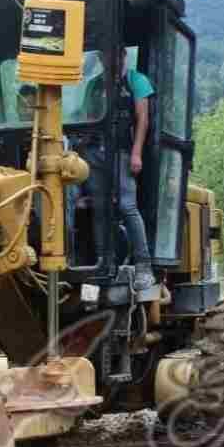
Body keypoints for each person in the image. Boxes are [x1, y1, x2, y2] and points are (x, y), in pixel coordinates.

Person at [73, 47, 156, 292]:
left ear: (123, 57)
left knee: (127, 206)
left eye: (115, 55)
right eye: (105, 56)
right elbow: (89, 119)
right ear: (100, 59)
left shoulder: (136, 81)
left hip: (121, 152)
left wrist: (136, 153)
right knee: (100, 206)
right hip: (96, 153)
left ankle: (144, 266)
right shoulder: (94, 85)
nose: (110, 59)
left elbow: (143, 119)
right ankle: (103, 262)